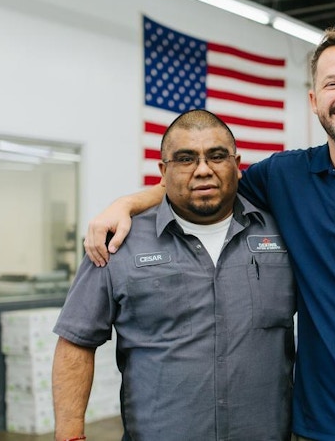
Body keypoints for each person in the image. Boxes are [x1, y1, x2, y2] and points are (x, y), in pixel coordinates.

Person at [85, 29, 335, 440]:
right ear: (314, 101)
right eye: (332, 83)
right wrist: (128, 203)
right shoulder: (284, 177)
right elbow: (207, 179)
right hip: (319, 427)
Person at [52, 109, 296, 441]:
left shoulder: (285, 234)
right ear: (163, 171)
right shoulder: (119, 242)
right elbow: (76, 341)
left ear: (237, 165)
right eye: (185, 159)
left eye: (217, 156)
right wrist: (70, 437)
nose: (203, 170)